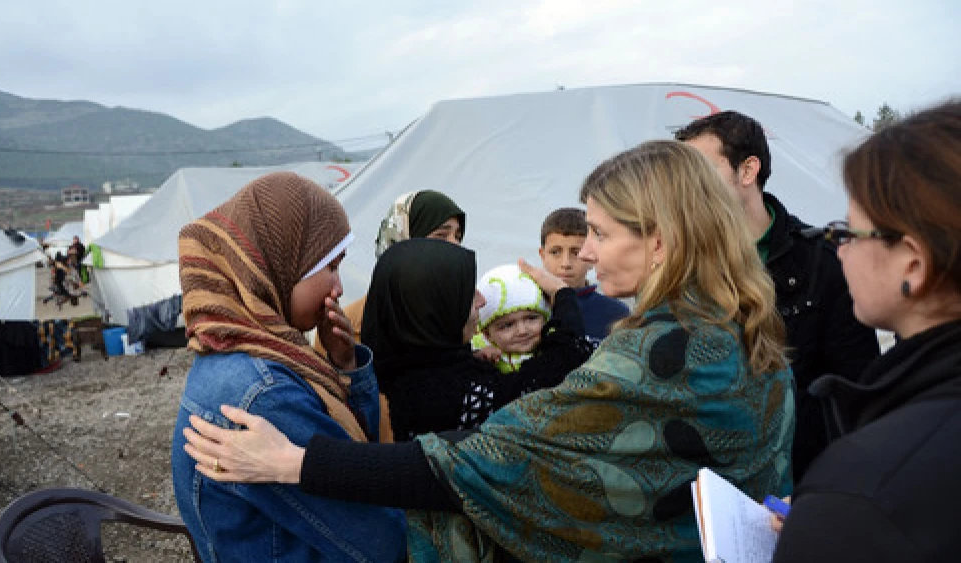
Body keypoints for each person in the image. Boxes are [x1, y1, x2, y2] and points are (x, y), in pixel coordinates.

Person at [183, 141, 795, 562]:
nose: (585, 254)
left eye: (601, 235)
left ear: (660, 243)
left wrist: (296, 463)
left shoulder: (665, 353)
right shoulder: (734, 320)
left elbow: (491, 458)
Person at [169, 171, 406, 562]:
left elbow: (354, 459)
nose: (339, 288)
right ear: (280, 264)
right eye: (330, 266)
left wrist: (344, 364)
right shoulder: (264, 394)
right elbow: (382, 541)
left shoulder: (237, 357)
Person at [771, 100, 961, 562]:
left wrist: (834, 523)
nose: (839, 252)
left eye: (849, 234)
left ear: (913, 264)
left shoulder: (862, 494)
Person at [675, 111, 880, 482]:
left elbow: (856, 393)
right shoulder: (680, 271)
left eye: (699, 170)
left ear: (747, 171)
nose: (686, 187)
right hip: (712, 487)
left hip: (805, 488)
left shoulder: (823, 263)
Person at [360, 238, 590, 442]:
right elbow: (555, 373)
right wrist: (563, 295)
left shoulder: (411, 369)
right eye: (468, 295)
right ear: (435, 310)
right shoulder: (443, 394)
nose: (481, 302)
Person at [313, 189, 465, 353]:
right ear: (404, 242)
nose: (455, 247)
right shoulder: (346, 326)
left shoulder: (460, 316)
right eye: (441, 236)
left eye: (458, 236)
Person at [472, 263, 591, 375]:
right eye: (507, 325)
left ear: (547, 319)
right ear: (487, 334)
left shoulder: (558, 349)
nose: (522, 331)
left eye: (531, 318)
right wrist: (476, 358)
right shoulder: (478, 357)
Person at [538, 207, 630, 342]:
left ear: (592, 257)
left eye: (576, 252)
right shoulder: (524, 309)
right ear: (542, 255)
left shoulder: (615, 313)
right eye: (555, 252)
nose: (566, 263)